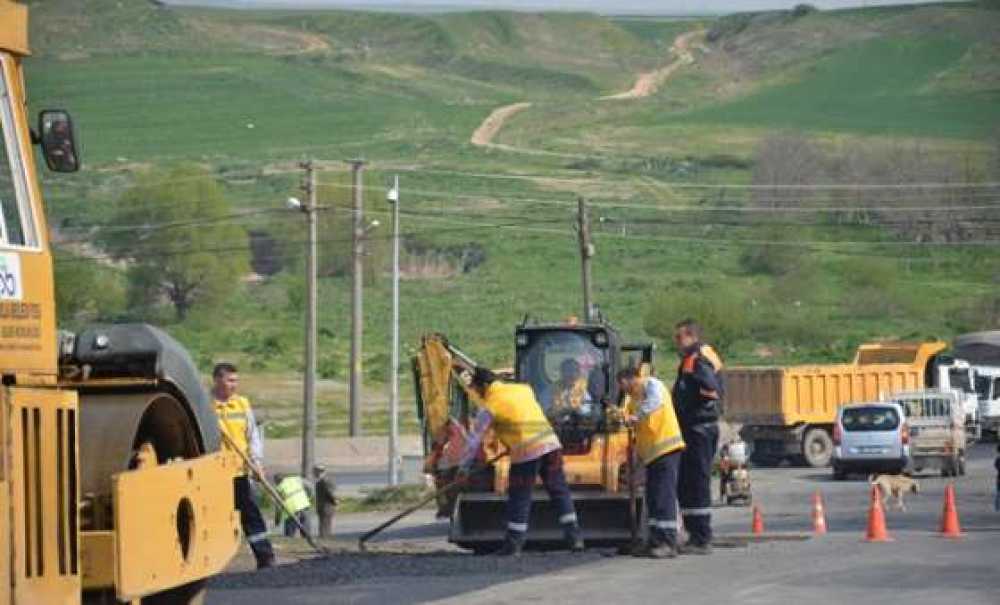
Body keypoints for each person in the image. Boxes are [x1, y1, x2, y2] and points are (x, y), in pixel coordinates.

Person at [459, 367, 584, 556]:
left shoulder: (490, 405)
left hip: (526, 452)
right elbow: (522, 414)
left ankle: (514, 544)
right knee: (559, 490)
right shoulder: (523, 389)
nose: (477, 394)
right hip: (551, 444)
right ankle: (575, 538)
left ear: (484, 386)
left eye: (476, 389)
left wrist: (464, 466)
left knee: (520, 495)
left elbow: (474, 439)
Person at [617, 366, 685, 558]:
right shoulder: (632, 399)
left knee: (664, 496)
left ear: (631, 378)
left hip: (666, 449)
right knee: (654, 498)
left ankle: (668, 542)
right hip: (652, 455)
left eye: (623, 384)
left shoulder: (652, 385)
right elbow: (629, 420)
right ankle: (655, 540)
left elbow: (655, 402)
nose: (623, 389)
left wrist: (635, 417)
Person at [212, 362, 276, 569]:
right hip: (214, 472)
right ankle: (213, 561)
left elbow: (252, 436)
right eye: (230, 380)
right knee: (215, 516)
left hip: (240, 469)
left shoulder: (241, 404)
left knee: (250, 513)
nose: (234, 384)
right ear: (217, 380)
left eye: (236, 380)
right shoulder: (205, 405)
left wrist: (257, 462)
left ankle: (265, 556)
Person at [671, 319, 724, 555]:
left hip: (699, 428)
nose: (676, 342)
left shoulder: (699, 358)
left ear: (691, 336)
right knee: (688, 482)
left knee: (697, 482)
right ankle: (694, 533)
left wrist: (690, 404)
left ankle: (702, 537)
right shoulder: (692, 358)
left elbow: (710, 389)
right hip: (694, 427)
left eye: (679, 337)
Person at [273, 473, 312, 537]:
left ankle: (290, 538)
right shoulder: (295, 479)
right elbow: (309, 485)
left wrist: (277, 520)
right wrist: (308, 496)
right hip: (304, 505)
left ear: (276, 481)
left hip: (291, 510)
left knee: (289, 534)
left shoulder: (279, 488)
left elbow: (278, 507)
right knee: (306, 530)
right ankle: (307, 538)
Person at [313, 465, 339, 537]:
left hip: (327, 506)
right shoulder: (320, 482)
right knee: (324, 525)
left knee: (325, 525)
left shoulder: (325, 481)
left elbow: (330, 493)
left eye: (316, 472)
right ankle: (324, 538)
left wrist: (335, 501)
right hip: (322, 506)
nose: (315, 474)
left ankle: (325, 538)